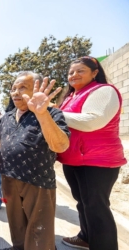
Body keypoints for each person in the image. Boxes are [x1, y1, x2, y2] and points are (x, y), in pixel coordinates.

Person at [0, 72, 70, 250]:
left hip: (37, 181)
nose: (15, 92)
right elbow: (1, 144)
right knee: (16, 223)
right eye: (13, 88)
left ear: (36, 89)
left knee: (39, 229)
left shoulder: (51, 113)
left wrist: (42, 113)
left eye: (22, 87)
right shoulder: (6, 117)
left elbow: (60, 145)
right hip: (9, 177)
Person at [57, 56, 127, 250]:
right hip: (74, 160)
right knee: (83, 203)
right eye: (71, 72)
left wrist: (54, 113)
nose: (74, 75)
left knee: (97, 208)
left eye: (80, 71)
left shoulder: (103, 91)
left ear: (95, 73)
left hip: (97, 161)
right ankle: (86, 237)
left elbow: (92, 121)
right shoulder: (71, 96)